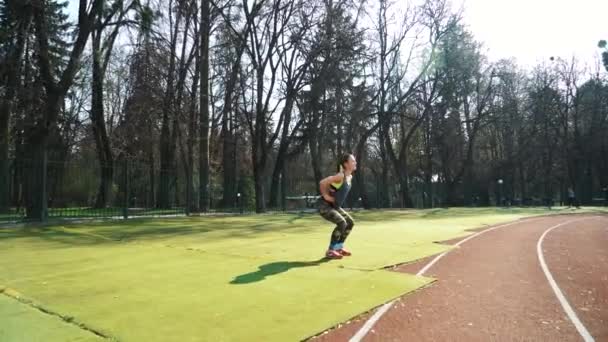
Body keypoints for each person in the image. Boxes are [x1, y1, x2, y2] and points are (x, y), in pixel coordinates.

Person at [318, 153, 357, 259]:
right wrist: (326, 196)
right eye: (352, 161)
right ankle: (330, 251)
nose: (355, 163)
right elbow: (322, 183)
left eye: (355, 161)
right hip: (324, 206)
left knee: (350, 222)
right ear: (345, 164)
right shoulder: (341, 176)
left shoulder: (350, 177)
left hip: (334, 206)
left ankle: (338, 247)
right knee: (342, 223)